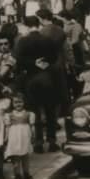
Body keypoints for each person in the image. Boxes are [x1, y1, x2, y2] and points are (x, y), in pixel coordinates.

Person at [18, 15, 61, 152]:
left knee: (35, 110)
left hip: (31, 78)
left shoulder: (23, 41)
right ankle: (52, 140)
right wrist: (44, 64)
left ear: (26, 26)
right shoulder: (48, 40)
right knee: (50, 110)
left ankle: (38, 142)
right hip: (47, 77)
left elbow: (20, 61)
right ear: (38, 24)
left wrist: (33, 64)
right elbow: (54, 58)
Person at [4, 94, 36, 179]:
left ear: (24, 102)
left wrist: (33, 135)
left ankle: (26, 173)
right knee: (16, 156)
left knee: (25, 156)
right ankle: (17, 174)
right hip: (14, 137)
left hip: (25, 137)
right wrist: (6, 137)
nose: (18, 104)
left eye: (20, 102)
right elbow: (7, 127)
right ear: (12, 104)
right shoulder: (9, 115)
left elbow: (32, 126)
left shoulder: (29, 114)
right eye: (15, 102)